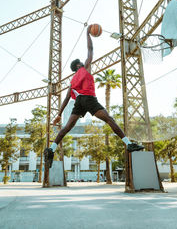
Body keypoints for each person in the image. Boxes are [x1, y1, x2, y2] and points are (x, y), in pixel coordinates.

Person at [44, 25, 144, 168]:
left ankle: (51, 149)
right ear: (79, 65)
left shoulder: (72, 81)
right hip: (89, 99)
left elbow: (66, 98)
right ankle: (128, 144)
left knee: (66, 127)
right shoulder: (85, 69)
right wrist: (88, 34)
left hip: (78, 102)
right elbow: (90, 50)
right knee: (109, 119)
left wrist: (59, 114)